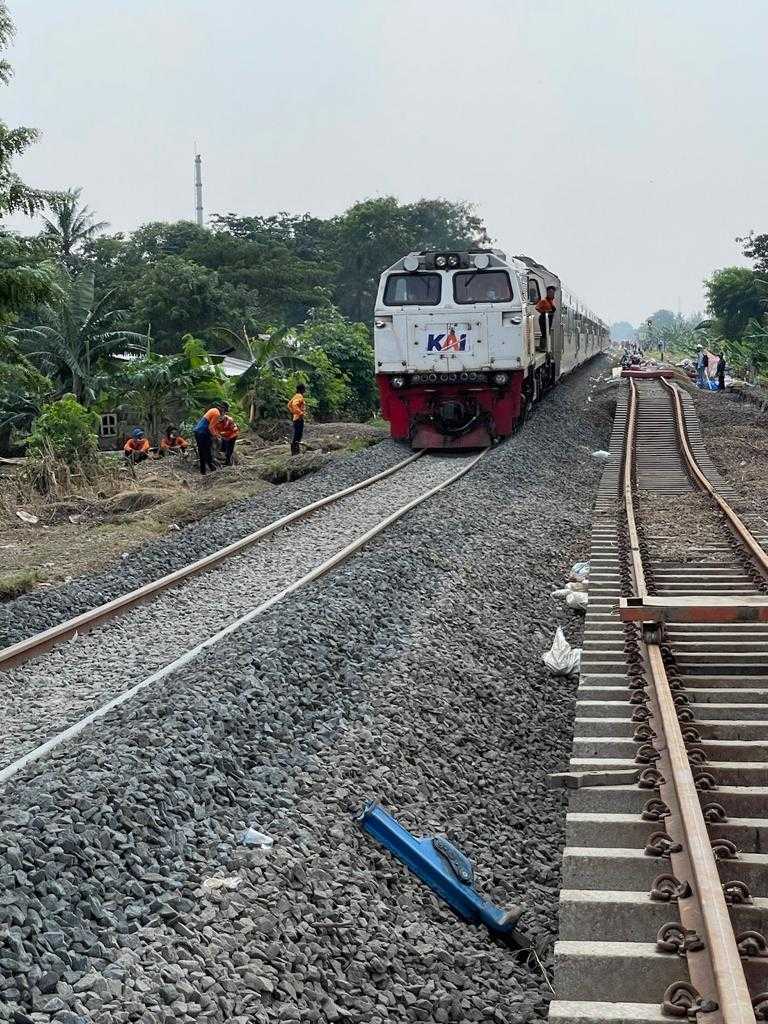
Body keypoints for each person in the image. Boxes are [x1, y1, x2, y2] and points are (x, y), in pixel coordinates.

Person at [193, 402, 228, 475]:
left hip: (198, 432)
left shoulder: (213, 410)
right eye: (225, 412)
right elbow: (211, 427)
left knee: (202, 452)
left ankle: (203, 472)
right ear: (222, 409)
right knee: (207, 451)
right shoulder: (217, 414)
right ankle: (212, 470)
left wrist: (217, 434)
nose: (224, 414)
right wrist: (217, 436)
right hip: (202, 433)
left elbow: (212, 426)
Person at [287, 383, 306, 456]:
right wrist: (300, 413)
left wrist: (294, 412)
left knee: (297, 435)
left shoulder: (295, 396)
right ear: (301, 389)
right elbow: (294, 405)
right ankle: (295, 452)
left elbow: (289, 405)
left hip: (296, 418)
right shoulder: (299, 396)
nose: (305, 390)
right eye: (304, 389)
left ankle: (295, 451)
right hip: (299, 419)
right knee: (298, 435)